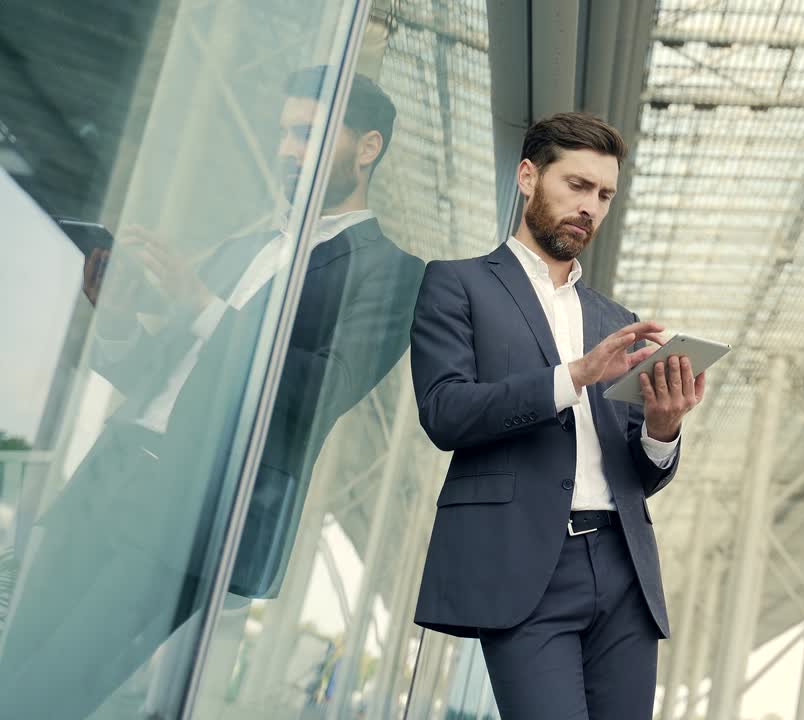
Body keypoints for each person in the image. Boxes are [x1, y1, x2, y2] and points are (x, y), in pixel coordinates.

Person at [0, 67, 424, 719]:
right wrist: (116, 318)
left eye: (309, 135)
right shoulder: (249, 247)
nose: (288, 151)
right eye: (284, 135)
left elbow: (319, 391)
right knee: (11, 676)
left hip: (189, 510)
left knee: (53, 692)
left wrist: (201, 304)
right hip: (105, 481)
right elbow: (159, 375)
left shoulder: (393, 273)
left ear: (367, 148)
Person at [411, 112, 707, 719]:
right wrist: (572, 377)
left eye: (603, 195)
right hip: (524, 567)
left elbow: (639, 473)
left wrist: (662, 427)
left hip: (624, 569)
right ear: (528, 176)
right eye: (576, 185)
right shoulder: (457, 285)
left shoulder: (612, 317)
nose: (591, 207)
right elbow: (444, 411)